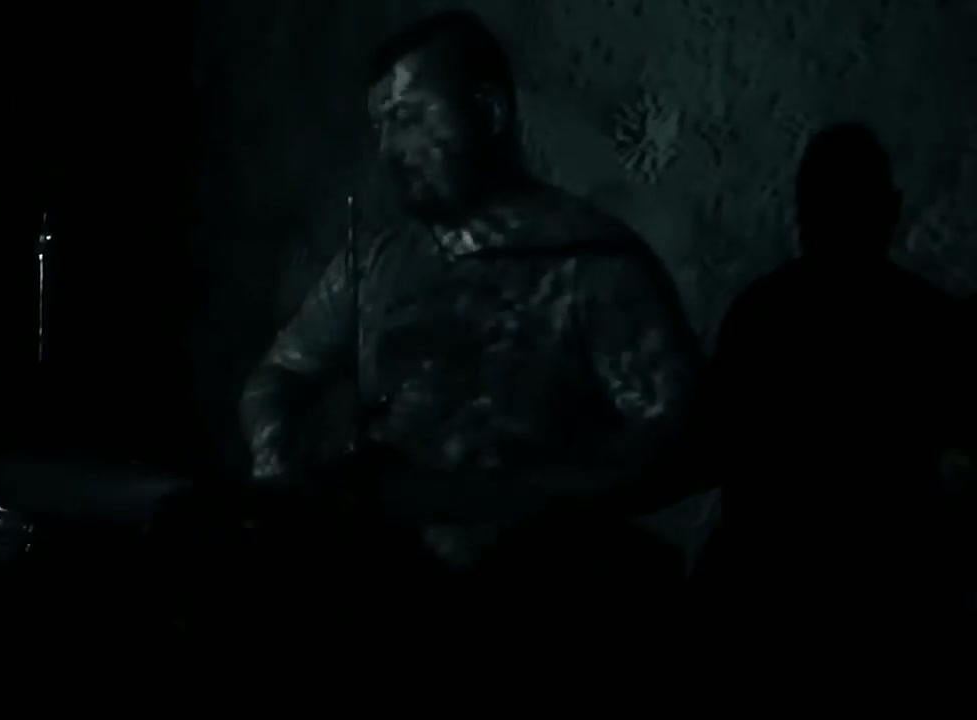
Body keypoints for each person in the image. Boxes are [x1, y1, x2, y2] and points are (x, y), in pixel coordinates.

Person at [237, 11, 705, 638]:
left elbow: (679, 445)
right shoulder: (376, 262)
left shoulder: (593, 265)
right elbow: (282, 374)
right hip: (381, 594)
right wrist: (277, 456)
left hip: (537, 605)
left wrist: (506, 501)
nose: (389, 149)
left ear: (487, 112)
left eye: (409, 117)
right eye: (381, 126)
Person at [709, 123, 969, 638]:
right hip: (890, 596)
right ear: (891, 208)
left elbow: (712, 450)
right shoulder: (931, 321)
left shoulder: (759, 315)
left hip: (774, 595)